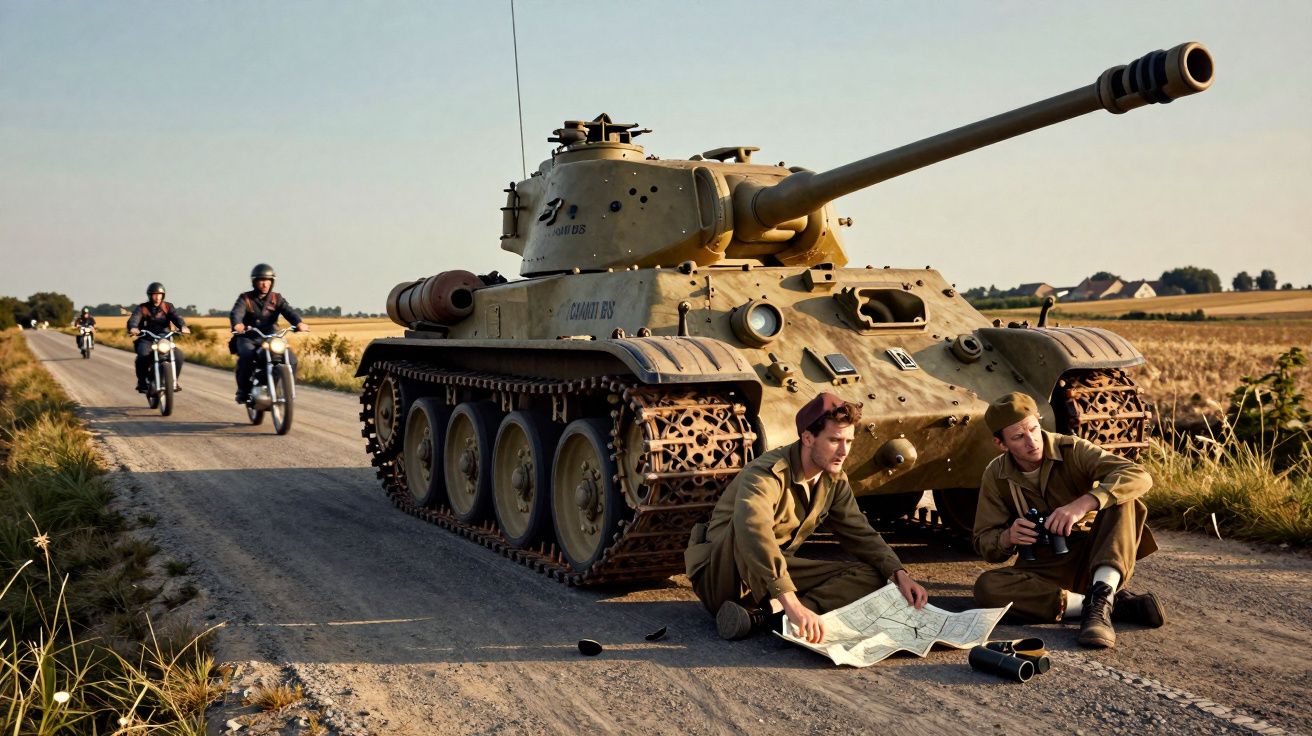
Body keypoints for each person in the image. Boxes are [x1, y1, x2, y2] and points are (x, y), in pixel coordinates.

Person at [685, 392, 928, 643]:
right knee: (749, 526)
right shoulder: (764, 474)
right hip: (725, 573)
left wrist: (899, 573)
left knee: (875, 576)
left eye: (849, 441)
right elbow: (754, 533)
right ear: (808, 438)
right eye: (834, 440)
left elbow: (859, 532)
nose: (844, 451)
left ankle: (772, 617)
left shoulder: (833, 479)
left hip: (773, 570)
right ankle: (785, 610)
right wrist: (789, 599)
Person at [972, 392, 1166, 649]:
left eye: (1033, 429)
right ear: (1001, 443)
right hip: (1045, 564)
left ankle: (1099, 605)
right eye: (1018, 437)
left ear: (1040, 420)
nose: (1032, 442)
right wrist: (1008, 537)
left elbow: (1137, 475)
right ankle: (1104, 604)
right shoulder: (996, 475)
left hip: (1095, 553)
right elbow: (983, 541)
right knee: (987, 588)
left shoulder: (1073, 449)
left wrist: (1081, 505)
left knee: (1125, 499)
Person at [229, 263, 308, 403]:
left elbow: (289, 311)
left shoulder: (277, 298)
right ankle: (244, 390)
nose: (265, 284)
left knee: (291, 359)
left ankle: (286, 389)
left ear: (272, 282)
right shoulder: (245, 298)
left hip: (271, 337)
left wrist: (299, 323)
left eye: (268, 280)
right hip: (249, 337)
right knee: (247, 356)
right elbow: (237, 312)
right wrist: (237, 324)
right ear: (255, 282)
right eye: (261, 280)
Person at [126, 283, 189, 392]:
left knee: (178, 355)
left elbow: (176, 317)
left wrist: (183, 326)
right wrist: (133, 328)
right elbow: (134, 319)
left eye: (160, 294)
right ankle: (142, 383)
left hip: (164, 337)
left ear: (163, 295)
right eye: (155, 294)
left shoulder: (168, 307)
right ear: (150, 295)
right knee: (143, 355)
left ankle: (173, 382)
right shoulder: (142, 308)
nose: (158, 297)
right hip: (147, 338)